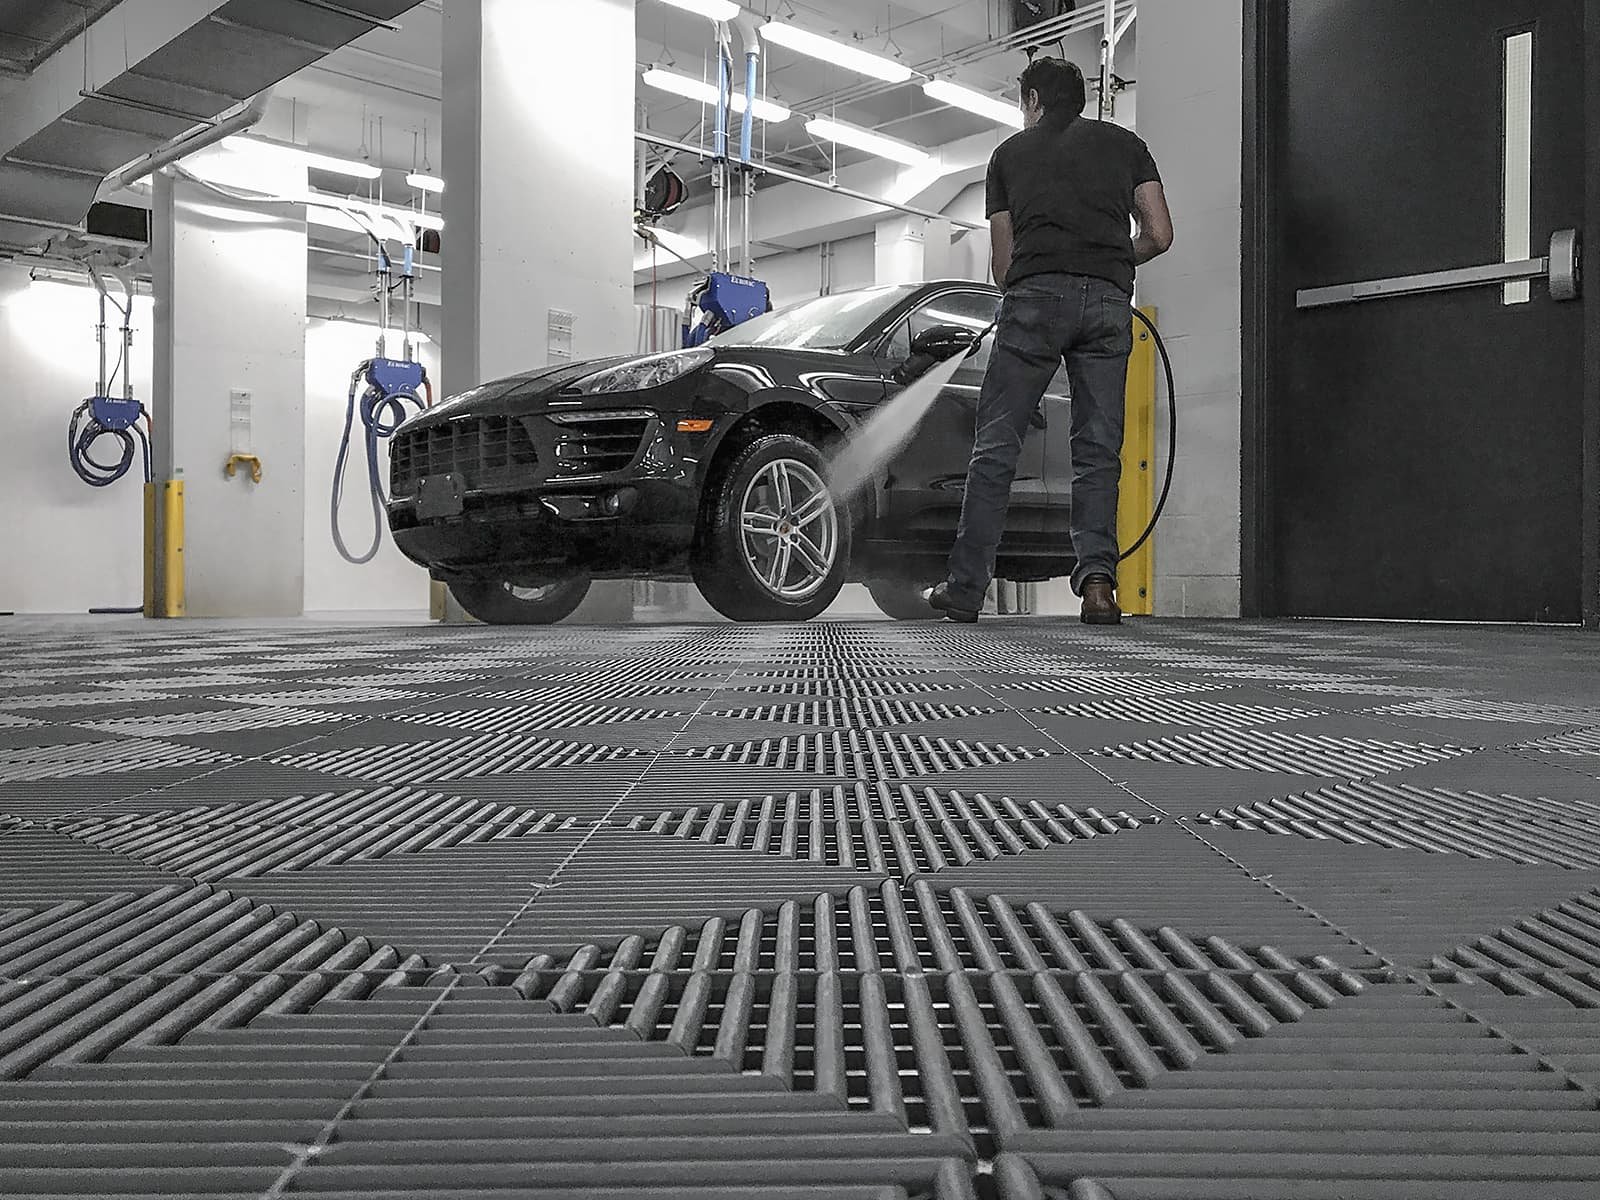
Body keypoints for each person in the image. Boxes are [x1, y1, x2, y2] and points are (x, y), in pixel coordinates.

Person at [929, 56, 1173, 625]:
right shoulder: (1127, 145)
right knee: (1097, 450)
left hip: (1035, 300)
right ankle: (1096, 588)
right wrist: (1108, 257)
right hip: (1110, 303)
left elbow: (1001, 264)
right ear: (1082, 99)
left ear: (1033, 100)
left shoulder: (1008, 156)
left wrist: (1049, 267)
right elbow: (1159, 233)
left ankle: (965, 589)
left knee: (996, 446)